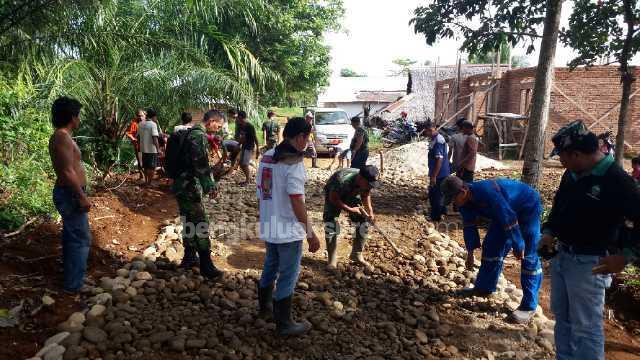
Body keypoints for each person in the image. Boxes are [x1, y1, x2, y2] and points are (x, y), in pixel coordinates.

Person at [539, 120, 640, 360]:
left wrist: (626, 256)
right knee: (562, 318)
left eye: (562, 156)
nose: (560, 162)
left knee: (586, 327)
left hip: (590, 263)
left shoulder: (617, 181)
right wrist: (549, 231)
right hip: (562, 256)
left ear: (577, 154)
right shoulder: (572, 174)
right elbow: (559, 207)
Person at [440, 175, 543, 323]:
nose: (453, 204)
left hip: (527, 205)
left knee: (529, 253)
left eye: (453, 199)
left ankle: (529, 306)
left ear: (463, 190)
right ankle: (484, 287)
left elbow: (508, 216)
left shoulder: (487, 192)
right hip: (504, 212)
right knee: (491, 245)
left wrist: (518, 244)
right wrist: (470, 252)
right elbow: (469, 225)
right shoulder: (464, 203)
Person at [256, 116, 320, 336]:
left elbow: (261, 192)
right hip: (287, 231)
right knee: (288, 275)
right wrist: (310, 234)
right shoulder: (293, 164)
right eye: (307, 137)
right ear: (301, 136)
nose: (307, 141)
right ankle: (284, 324)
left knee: (270, 265)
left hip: (269, 224)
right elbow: (296, 201)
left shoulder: (266, 157)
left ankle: (264, 306)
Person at [172, 110, 226, 279]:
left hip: (181, 184)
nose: (218, 129)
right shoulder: (198, 136)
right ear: (211, 121)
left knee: (188, 220)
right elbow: (200, 164)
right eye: (218, 125)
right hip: (188, 186)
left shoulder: (191, 132)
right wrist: (210, 186)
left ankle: (189, 257)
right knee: (201, 222)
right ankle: (206, 265)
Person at [48, 96, 92, 293]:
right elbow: (67, 171)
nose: (79, 119)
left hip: (69, 192)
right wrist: (81, 197)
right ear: (72, 117)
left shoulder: (62, 135)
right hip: (70, 193)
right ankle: (73, 285)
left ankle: (73, 278)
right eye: (78, 115)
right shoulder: (62, 136)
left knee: (71, 236)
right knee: (80, 239)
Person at [323, 165, 381, 270]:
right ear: (360, 178)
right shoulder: (340, 180)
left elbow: (365, 194)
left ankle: (356, 254)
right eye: (369, 184)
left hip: (354, 192)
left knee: (363, 220)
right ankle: (332, 259)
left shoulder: (365, 183)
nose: (370, 186)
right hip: (334, 193)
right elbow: (334, 199)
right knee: (331, 222)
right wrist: (350, 209)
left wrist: (370, 212)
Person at [422, 121, 451, 221]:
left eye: (428, 131)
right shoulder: (435, 139)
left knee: (435, 194)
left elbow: (439, 159)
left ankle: (435, 216)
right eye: (427, 131)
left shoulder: (438, 141)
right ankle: (443, 211)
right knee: (439, 192)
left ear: (432, 129)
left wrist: (434, 175)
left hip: (439, 173)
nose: (427, 133)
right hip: (439, 172)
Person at [138, 109, 161, 185]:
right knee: (152, 167)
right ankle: (149, 183)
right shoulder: (153, 124)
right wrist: (158, 149)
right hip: (152, 149)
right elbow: (155, 138)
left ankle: (146, 181)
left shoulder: (140, 124)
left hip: (143, 149)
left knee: (146, 166)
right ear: (154, 116)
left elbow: (138, 137)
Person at [236, 110, 259, 185]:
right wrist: (238, 145)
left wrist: (257, 148)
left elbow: (255, 137)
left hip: (249, 147)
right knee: (241, 164)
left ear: (241, 117)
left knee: (244, 164)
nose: (237, 119)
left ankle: (248, 180)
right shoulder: (240, 126)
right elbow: (242, 137)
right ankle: (248, 179)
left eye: (238, 118)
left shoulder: (249, 126)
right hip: (244, 146)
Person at [127, 110, 145, 180]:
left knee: (146, 161)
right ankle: (142, 175)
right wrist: (133, 139)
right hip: (138, 146)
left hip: (148, 146)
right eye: (139, 115)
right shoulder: (134, 123)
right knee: (140, 161)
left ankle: (146, 177)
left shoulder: (147, 123)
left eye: (142, 115)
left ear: (145, 115)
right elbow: (129, 133)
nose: (140, 117)